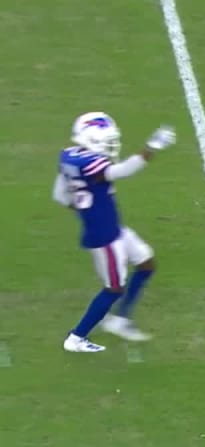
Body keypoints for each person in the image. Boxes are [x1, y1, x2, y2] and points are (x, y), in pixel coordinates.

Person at [54, 112, 176, 352]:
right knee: (114, 288)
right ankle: (76, 338)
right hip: (105, 238)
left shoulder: (70, 157)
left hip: (112, 228)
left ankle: (119, 321)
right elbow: (124, 170)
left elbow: (59, 195)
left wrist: (85, 211)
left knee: (146, 263)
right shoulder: (91, 165)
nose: (111, 146)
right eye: (107, 141)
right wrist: (152, 147)